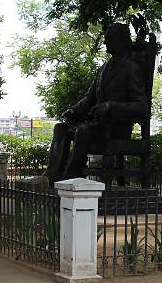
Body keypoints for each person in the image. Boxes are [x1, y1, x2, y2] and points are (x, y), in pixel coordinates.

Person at [45, 23, 147, 182]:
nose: (106, 42)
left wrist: (111, 106)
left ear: (122, 40)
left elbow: (141, 107)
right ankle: (52, 178)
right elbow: (89, 98)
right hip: (98, 126)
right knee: (61, 128)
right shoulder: (104, 68)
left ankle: (69, 178)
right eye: (106, 39)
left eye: (110, 39)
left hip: (117, 128)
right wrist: (74, 110)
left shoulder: (131, 68)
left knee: (83, 131)